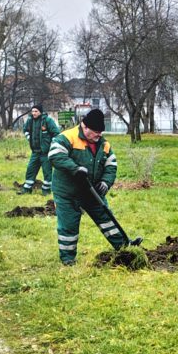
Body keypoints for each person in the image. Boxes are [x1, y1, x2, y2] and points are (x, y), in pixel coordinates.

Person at [47, 108, 128, 265]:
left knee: (107, 219)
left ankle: (125, 248)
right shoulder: (67, 137)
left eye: (100, 131)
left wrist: (105, 182)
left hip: (92, 192)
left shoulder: (103, 144)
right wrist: (75, 169)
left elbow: (111, 165)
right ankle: (68, 260)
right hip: (67, 193)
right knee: (68, 225)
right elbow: (55, 155)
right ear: (84, 127)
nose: (99, 135)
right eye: (95, 131)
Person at [19, 104, 60, 195]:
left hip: (45, 153)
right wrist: (29, 137)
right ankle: (27, 189)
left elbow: (56, 134)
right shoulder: (30, 120)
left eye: (36, 111)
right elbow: (25, 129)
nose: (34, 113)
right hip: (35, 152)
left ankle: (46, 190)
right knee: (30, 169)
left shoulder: (48, 121)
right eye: (32, 111)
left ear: (40, 112)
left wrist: (51, 145)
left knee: (47, 172)